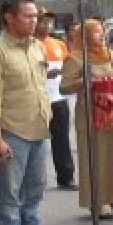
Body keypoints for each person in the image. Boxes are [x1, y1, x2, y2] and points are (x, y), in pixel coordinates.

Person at [0, 0, 51, 225]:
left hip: (39, 129)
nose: (34, 21)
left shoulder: (38, 47)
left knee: (35, 192)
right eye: (27, 16)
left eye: (35, 16)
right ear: (9, 18)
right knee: (10, 195)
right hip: (12, 132)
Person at [60, 18, 113, 218]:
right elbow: (64, 87)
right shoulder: (77, 58)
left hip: (112, 114)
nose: (101, 35)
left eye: (102, 31)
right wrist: (83, 80)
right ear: (85, 35)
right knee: (94, 159)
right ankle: (97, 202)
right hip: (90, 115)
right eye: (96, 32)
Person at [36, 10, 76, 190]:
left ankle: (65, 176)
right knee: (35, 140)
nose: (47, 26)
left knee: (61, 139)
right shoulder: (31, 44)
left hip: (58, 98)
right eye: (42, 22)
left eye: (49, 22)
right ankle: (35, 178)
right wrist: (45, 73)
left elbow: (68, 65)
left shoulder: (59, 44)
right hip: (38, 98)